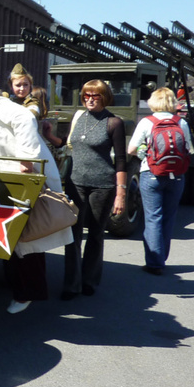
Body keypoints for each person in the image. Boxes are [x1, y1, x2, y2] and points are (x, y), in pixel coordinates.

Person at [0, 74, 72, 314]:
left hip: (21, 178)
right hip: (5, 179)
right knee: (13, 234)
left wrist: (26, 159)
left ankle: (27, 293)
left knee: (26, 236)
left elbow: (23, 118)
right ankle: (18, 286)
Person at [49, 79, 127, 300]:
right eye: (86, 96)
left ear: (105, 97)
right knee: (72, 234)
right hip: (76, 182)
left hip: (102, 185)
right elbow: (68, 142)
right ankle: (71, 284)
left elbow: (121, 160)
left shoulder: (113, 122)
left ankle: (89, 279)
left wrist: (120, 194)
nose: (90, 100)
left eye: (96, 96)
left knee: (95, 233)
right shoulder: (78, 116)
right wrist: (49, 137)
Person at [127, 87, 193, 275]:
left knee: (153, 217)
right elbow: (187, 149)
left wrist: (143, 151)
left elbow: (131, 149)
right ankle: (162, 257)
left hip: (152, 174)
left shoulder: (147, 122)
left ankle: (155, 262)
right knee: (169, 217)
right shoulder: (181, 122)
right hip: (177, 175)